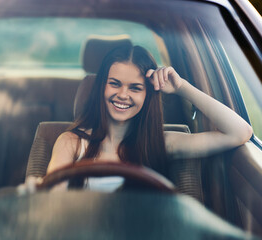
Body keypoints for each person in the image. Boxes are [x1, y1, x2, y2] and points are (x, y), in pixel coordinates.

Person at [46, 44, 253, 190]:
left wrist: (182, 87)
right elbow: (52, 205)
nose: (123, 95)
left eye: (135, 88)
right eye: (115, 83)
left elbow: (239, 132)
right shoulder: (71, 142)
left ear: (148, 95)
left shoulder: (161, 143)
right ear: (102, 87)